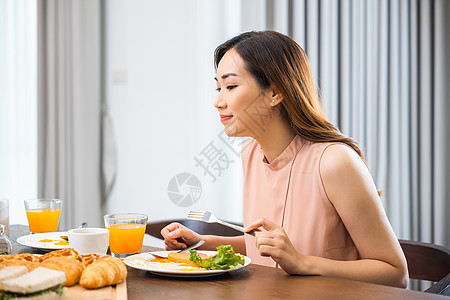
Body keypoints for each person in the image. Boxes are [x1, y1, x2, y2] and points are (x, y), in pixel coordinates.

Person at [161, 30, 408, 288]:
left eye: (231, 86)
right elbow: (269, 250)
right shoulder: (251, 154)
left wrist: (302, 262)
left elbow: (395, 273)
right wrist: (203, 242)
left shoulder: (334, 162)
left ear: (275, 93)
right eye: (218, 87)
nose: (218, 102)